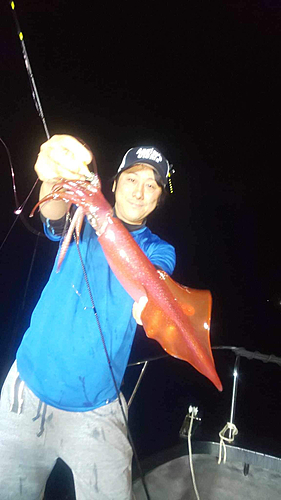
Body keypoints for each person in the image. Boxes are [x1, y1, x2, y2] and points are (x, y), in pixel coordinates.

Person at [0, 135, 176, 500]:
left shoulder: (160, 250)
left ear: (159, 197)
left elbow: (153, 283)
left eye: (151, 185)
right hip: (27, 391)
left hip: (99, 407)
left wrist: (151, 307)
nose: (139, 192)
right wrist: (54, 176)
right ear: (114, 183)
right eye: (131, 179)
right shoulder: (85, 217)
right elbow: (54, 212)